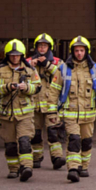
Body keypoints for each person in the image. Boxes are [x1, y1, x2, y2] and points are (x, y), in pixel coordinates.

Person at [45, 36, 96, 183]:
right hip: (70, 114)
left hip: (89, 114)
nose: (79, 53)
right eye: (76, 50)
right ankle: (73, 169)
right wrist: (52, 111)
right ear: (72, 51)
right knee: (74, 140)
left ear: (86, 51)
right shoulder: (63, 69)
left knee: (86, 142)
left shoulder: (94, 69)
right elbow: (54, 91)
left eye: (82, 50)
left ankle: (84, 166)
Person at [0, 39, 41, 181]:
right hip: (6, 114)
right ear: (7, 55)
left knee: (24, 141)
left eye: (17, 55)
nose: (15, 57)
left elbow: (37, 87)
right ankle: (13, 169)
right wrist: (7, 87)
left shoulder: (30, 70)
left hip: (25, 114)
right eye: (12, 55)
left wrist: (27, 87)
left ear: (22, 55)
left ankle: (26, 167)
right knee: (10, 144)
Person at [28, 33, 65, 169]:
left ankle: (57, 158)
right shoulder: (28, 61)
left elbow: (62, 76)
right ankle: (36, 158)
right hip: (34, 104)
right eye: (40, 45)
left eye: (45, 45)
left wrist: (47, 65)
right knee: (35, 134)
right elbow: (21, 77)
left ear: (50, 47)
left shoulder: (57, 62)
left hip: (51, 105)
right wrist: (30, 67)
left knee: (53, 133)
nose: (42, 48)